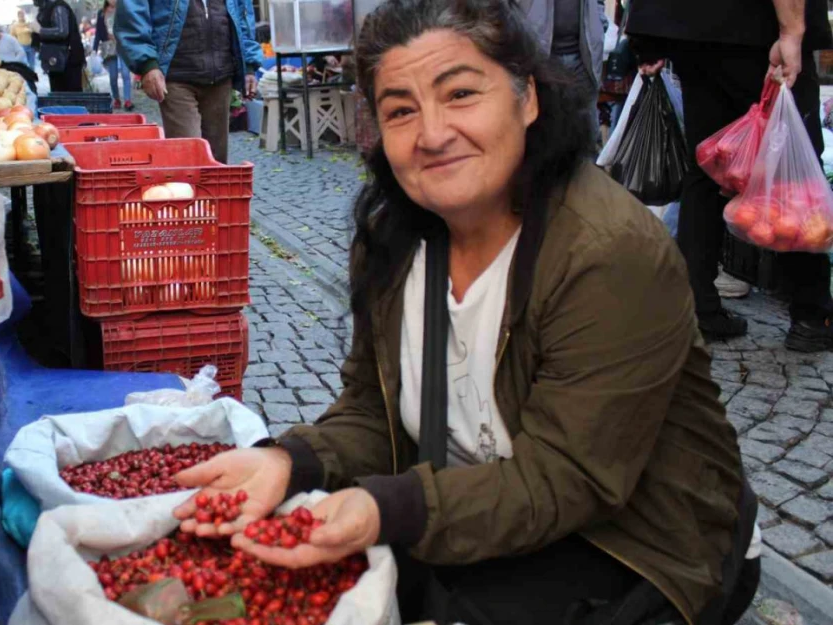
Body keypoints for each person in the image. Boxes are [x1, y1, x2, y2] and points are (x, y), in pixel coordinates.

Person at [170, 1, 760, 624]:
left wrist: (383, 509)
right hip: (475, 506)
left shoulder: (606, 251)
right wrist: (290, 461)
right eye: (400, 110)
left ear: (527, 98)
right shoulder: (393, 236)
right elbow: (373, 411)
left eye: (460, 94)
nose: (431, 133)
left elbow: (569, 478)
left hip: (636, 541)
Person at [626, 0, 833, 350]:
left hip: (692, 31)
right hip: (757, 28)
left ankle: (697, 307)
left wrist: (648, 37)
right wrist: (791, 31)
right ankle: (812, 313)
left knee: (706, 167)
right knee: (792, 175)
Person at [117, 0, 263, 164]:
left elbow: (243, 14)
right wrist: (147, 64)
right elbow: (132, 14)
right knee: (187, 160)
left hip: (221, 75)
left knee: (216, 163)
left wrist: (248, 65)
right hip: (176, 77)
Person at [517, 0, 607, 145]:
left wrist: (600, 24)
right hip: (542, 58)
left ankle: (588, 164)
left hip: (583, 60)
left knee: (587, 130)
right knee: (544, 128)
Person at [33, 0, 85, 93]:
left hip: (67, 60)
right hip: (56, 60)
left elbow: (62, 31)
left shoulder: (58, 7)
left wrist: (40, 30)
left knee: (69, 95)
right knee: (58, 93)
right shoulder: (47, 8)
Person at [92, 0, 132, 111]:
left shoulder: (124, 10)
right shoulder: (101, 13)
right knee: (113, 76)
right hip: (109, 47)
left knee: (125, 73)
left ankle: (128, 100)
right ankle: (117, 99)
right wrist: (94, 49)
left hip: (123, 45)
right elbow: (98, 33)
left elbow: (130, 27)